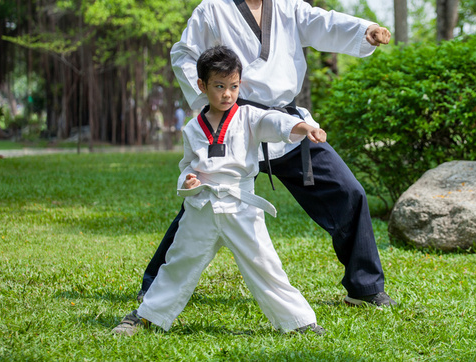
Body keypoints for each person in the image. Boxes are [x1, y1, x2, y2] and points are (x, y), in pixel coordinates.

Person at [139, 0, 396, 308]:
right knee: (203, 202)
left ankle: (365, 287)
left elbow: (325, 22)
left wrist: (367, 30)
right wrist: (207, 101)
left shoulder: (288, 7)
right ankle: (154, 285)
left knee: (349, 193)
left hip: (287, 124)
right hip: (235, 124)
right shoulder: (213, 10)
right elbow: (184, 55)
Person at [113, 45, 327, 336]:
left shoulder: (250, 117)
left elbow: (274, 121)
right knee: (179, 262)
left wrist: (303, 127)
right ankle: (148, 315)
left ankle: (299, 322)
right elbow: (187, 165)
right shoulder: (192, 128)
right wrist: (188, 181)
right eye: (219, 86)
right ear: (202, 85)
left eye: (234, 86)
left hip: (242, 208)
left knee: (265, 264)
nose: (227, 94)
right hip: (202, 207)